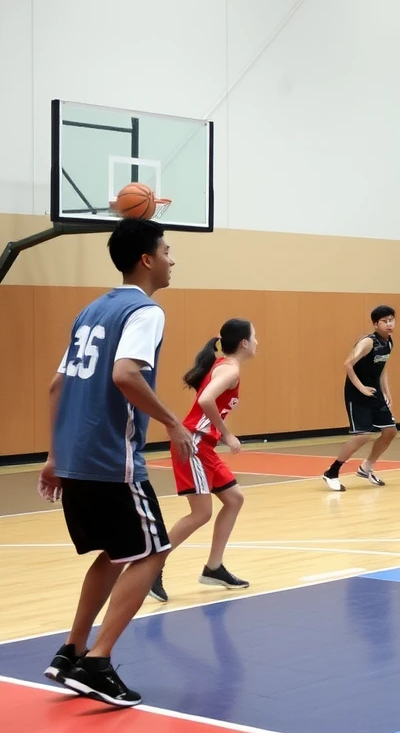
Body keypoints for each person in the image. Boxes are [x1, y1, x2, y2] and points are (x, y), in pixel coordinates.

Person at [37, 218, 195, 707]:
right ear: (147, 259)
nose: (172, 259)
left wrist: (52, 454)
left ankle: (71, 649)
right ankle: (99, 663)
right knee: (152, 551)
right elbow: (126, 374)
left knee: (113, 552)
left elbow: (57, 386)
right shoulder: (144, 311)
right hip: (112, 459)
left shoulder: (91, 311)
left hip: (76, 459)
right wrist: (173, 421)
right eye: (168, 251)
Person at [149, 319, 259, 603]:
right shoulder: (231, 370)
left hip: (203, 445)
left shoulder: (224, 365)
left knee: (234, 499)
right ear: (244, 343)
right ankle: (151, 568)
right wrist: (226, 434)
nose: (257, 342)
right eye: (254, 337)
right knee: (201, 513)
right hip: (194, 443)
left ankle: (213, 567)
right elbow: (206, 400)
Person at [323, 305, 397, 491]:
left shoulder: (388, 342)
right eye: (384, 321)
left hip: (375, 392)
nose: (389, 324)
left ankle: (366, 468)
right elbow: (348, 364)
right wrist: (362, 388)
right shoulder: (368, 342)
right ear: (375, 324)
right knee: (363, 435)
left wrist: (387, 393)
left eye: (391, 320)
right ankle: (332, 472)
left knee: (390, 431)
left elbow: (382, 369)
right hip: (357, 393)